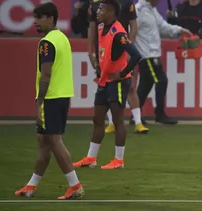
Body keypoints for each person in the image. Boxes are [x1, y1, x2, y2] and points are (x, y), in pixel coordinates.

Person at [14, 2, 84, 200]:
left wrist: (39, 103)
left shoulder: (47, 43)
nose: (35, 22)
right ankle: (31, 186)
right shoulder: (62, 38)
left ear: (50, 19)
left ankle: (75, 185)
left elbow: (45, 75)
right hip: (62, 96)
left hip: (51, 98)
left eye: (39, 18)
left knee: (54, 140)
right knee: (44, 142)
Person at [73, 0, 141, 169]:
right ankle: (91, 158)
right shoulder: (102, 27)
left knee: (118, 121)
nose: (98, 11)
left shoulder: (119, 33)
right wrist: (99, 63)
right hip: (104, 80)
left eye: (102, 9)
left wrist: (123, 74)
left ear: (111, 12)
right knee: (97, 119)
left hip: (116, 82)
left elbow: (136, 55)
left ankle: (119, 160)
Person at [88, 0, 149, 134]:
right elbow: (92, 27)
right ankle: (111, 123)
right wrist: (90, 51)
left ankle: (138, 122)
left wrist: (128, 48)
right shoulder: (96, 4)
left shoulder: (127, 3)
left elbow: (133, 26)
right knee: (104, 84)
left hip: (121, 48)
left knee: (130, 86)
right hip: (104, 50)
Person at [135, 0, 192, 124]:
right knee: (161, 80)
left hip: (152, 54)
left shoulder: (151, 10)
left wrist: (180, 30)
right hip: (146, 55)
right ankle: (159, 114)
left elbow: (163, 27)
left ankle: (136, 116)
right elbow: (132, 31)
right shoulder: (138, 10)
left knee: (145, 85)